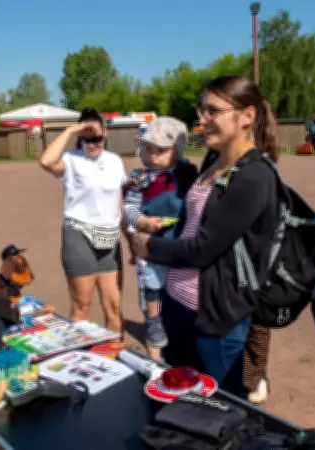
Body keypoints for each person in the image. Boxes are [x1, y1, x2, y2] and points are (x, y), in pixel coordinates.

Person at [130, 75, 280, 398]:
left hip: (215, 319)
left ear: (247, 116)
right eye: (202, 110)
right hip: (179, 306)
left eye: (213, 111)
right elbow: (190, 225)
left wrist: (149, 247)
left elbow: (204, 249)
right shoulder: (213, 161)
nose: (203, 119)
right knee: (181, 401)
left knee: (221, 408)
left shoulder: (254, 175)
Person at [38, 108, 127, 334]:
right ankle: (78, 354)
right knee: (82, 307)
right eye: (86, 139)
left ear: (105, 133)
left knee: (114, 306)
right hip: (79, 235)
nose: (92, 144)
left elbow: (120, 203)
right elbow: (46, 161)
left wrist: (131, 239)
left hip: (110, 238)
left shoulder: (115, 161)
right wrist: (72, 130)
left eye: (96, 138)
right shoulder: (71, 159)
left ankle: (115, 351)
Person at [122, 116, 199, 360]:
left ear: (178, 149)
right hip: (152, 243)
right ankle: (153, 325)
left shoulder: (189, 173)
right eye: (149, 149)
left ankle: (177, 339)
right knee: (152, 283)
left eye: (161, 150)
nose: (153, 156)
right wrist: (141, 222)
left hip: (180, 242)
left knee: (180, 292)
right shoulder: (141, 177)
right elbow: (129, 208)